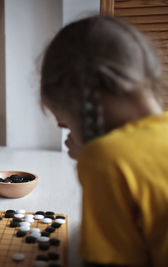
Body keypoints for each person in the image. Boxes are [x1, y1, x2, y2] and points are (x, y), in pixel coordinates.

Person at [40, 16, 168, 266]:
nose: (68, 135)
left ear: (81, 104)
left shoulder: (106, 158)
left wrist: (96, 153)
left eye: (64, 124)